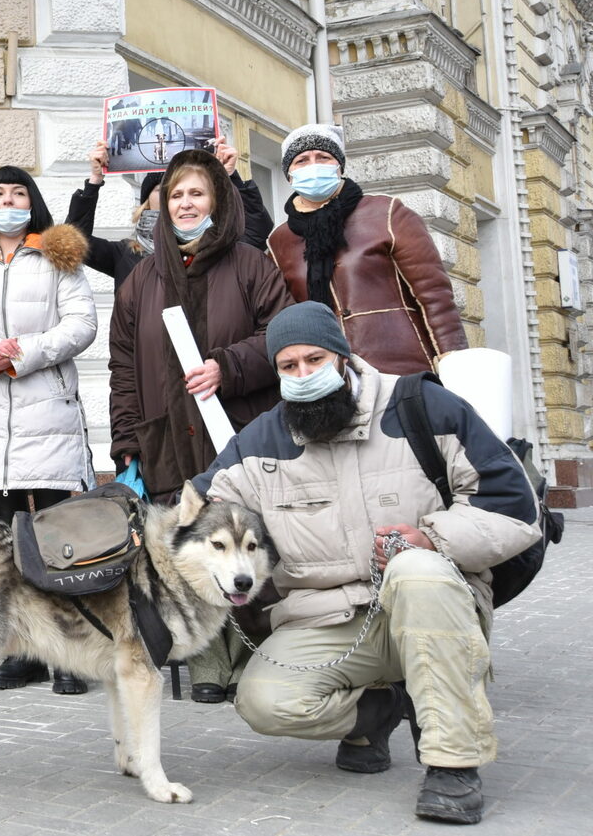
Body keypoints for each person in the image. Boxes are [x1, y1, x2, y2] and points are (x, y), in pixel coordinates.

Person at [196, 301, 542, 825]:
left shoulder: (423, 406)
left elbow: (513, 506)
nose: (303, 375)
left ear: (342, 355)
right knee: (264, 701)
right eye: (288, 367)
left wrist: (432, 538)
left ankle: (453, 765)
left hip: (434, 603)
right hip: (329, 619)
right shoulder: (259, 443)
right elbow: (199, 515)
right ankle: (377, 710)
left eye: (314, 360)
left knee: (415, 571)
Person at [107, 149, 294, 701]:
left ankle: (254, 663)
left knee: (243, 544)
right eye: (176, 195)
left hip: (237, 429)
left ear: (218, 200)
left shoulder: (251, 264)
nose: (186, 204)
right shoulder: (142, 279)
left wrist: (228, 366)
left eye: (197, 193)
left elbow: (282, 336)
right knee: (193, 549)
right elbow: (122, 366)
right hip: (166, 436)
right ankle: (209, 665)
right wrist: (125, 438)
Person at [0, 165, 96, 695]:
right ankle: (24, 650)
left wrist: (25, 354)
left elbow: (81, 324)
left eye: (18, 193)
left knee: (61, 542)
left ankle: (71, 653)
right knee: (6, 546)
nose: (8, 202)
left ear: (33, 202)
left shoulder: (57, 255)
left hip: (48, 414)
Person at [267, 125, 468, 375]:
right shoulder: (279, 241)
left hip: (402, 368)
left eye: (323, 157)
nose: (313, 165)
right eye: (301, 160)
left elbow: (434, 294)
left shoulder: (386, 213)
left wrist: (453, 359)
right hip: (329, 377)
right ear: (289, 175)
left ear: (339, 166)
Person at [68, 135, 273, 288]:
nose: (177, 199)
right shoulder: (124, 254)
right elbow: (72, 242)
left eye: (190, 192)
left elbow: (257, 231)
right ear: (146, 201)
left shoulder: (218, 245)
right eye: (163, 190)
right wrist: (94, 181)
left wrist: (230, 176)